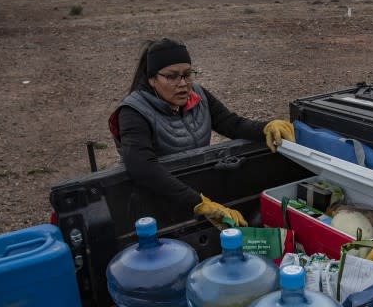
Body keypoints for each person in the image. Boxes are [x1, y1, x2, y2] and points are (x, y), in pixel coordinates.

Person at [109, 38, 294, 229]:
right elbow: (141, 167)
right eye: (172, 77)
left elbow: (230, 123)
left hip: (194, 190)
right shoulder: (133, 111)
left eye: (187, 74)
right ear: (152, 79)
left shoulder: (198, 95)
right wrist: (199, 204)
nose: (183, 84)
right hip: (156, 200)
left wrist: (266, 128)